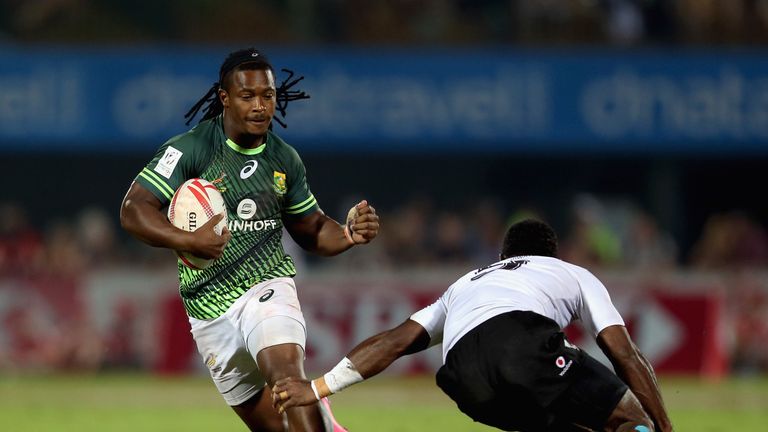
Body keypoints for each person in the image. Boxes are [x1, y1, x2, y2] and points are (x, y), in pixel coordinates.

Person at [120, 47, 379, 432]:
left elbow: (310, 229)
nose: (260, 106)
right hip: (207, 311)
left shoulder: (284, 159)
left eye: (268, 95)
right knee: (278, 427)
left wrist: (345, 233)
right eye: (247, 96)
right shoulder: (191, 149)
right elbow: (133, 209)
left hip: (266, 288)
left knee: (288, 379)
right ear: (225, 98)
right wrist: (186, 239)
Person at [272, 219, 673, 432]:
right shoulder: (570, 271)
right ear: (551, 254)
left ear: (502, 255)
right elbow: (624, 354)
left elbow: (393, 343)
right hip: (522, 345)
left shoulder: (465, 283)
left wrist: (317, 387)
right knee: (627, 418)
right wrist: (665, 426)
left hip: (465, 383)